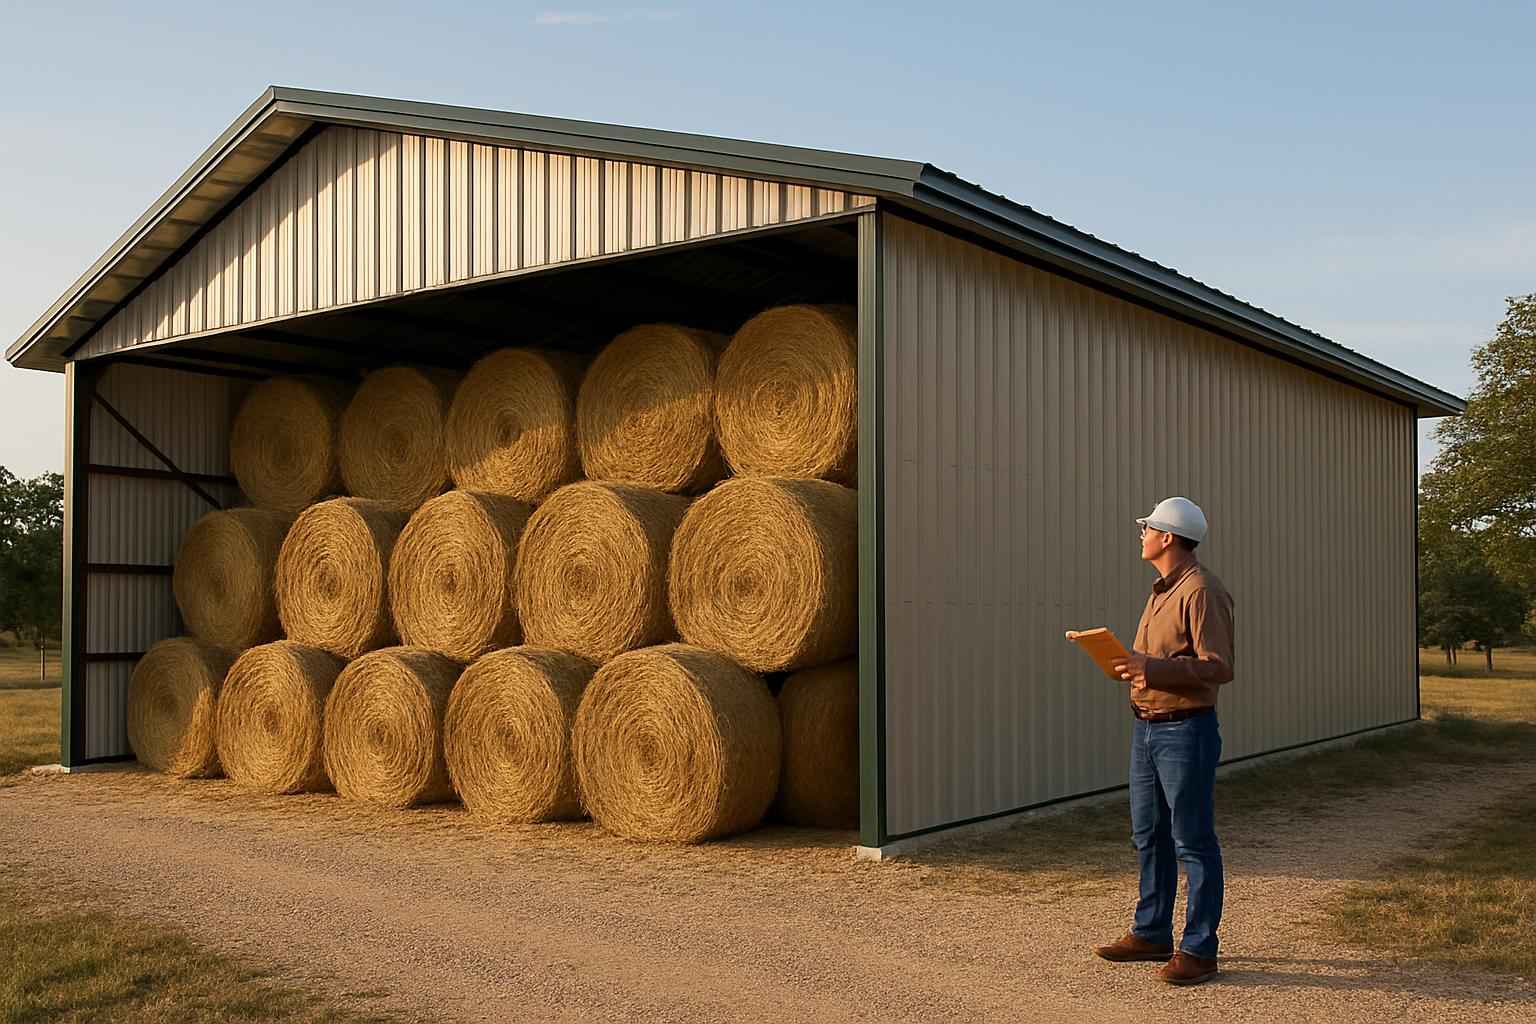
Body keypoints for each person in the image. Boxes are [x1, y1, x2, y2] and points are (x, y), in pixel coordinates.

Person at [1094, 496, 1234, 986]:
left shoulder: (1201, 591)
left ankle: (1199, 949)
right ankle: (1152, 933)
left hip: (1185, 731)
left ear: (1167, 537)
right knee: (1148, 834)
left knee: (1192, 840)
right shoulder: (1159, 591)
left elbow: (1219, 668)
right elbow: (1162, 660)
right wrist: (1130, 667)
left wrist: (1149, 668)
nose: (1142, 534)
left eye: (1147, 528)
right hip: (1147, 726)